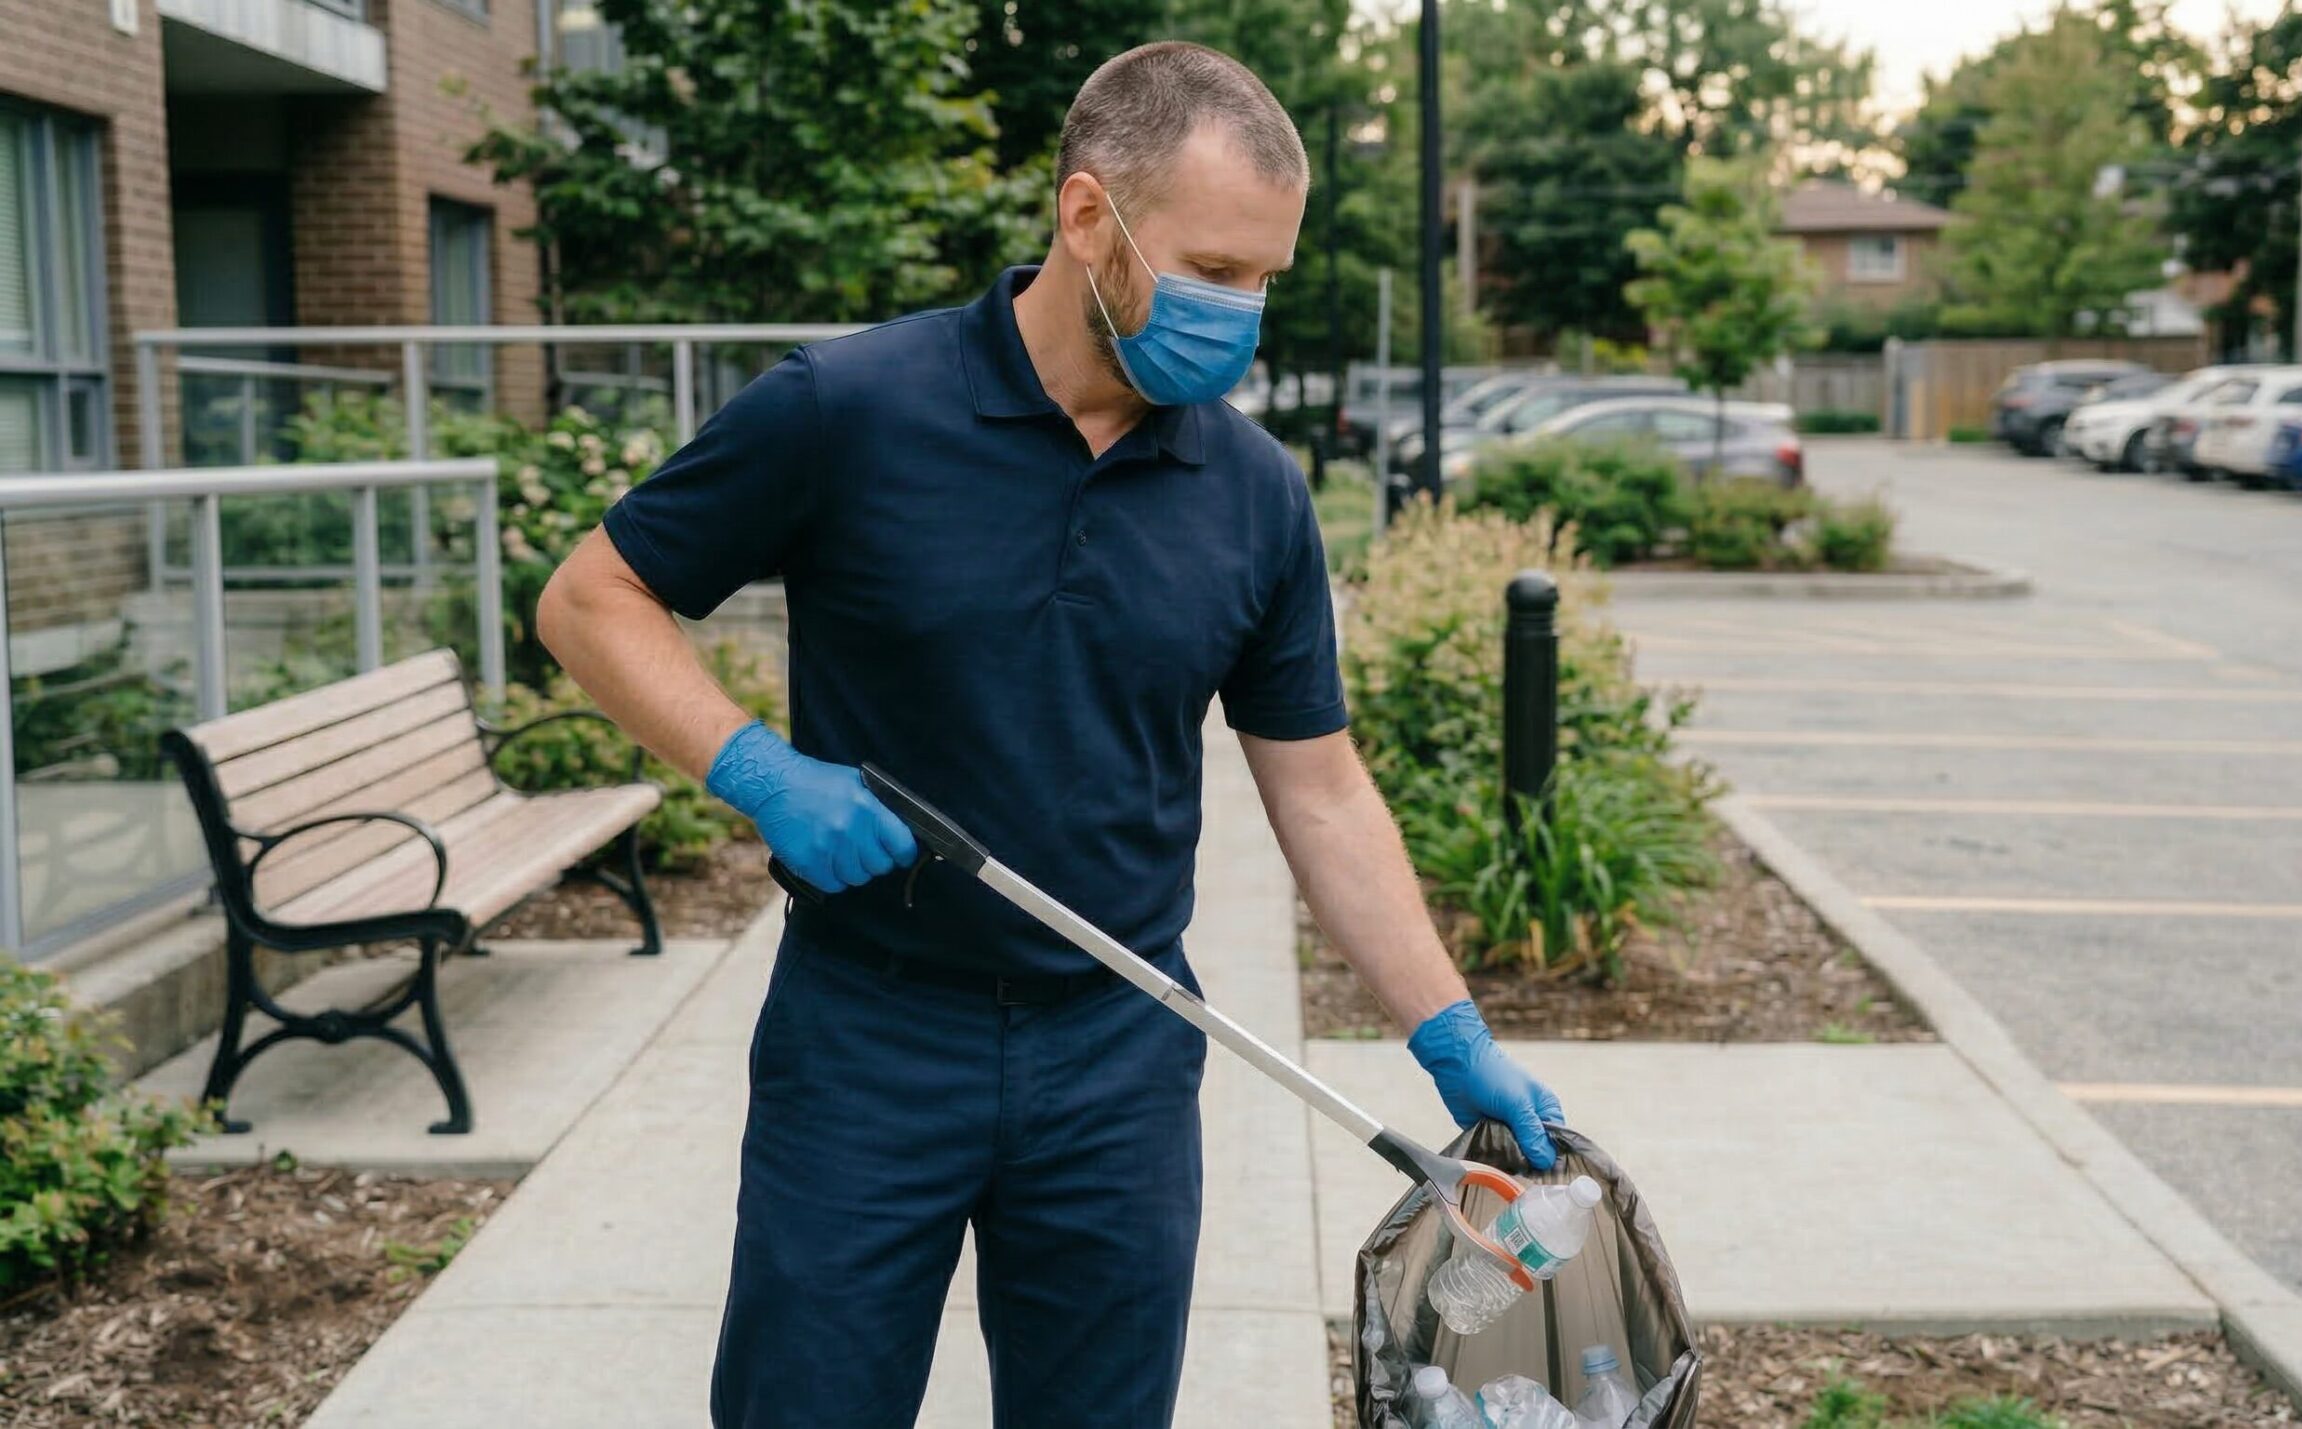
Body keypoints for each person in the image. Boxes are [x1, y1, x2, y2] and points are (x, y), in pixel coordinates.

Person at [535, 40, 1565, 1429]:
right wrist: (754, 766)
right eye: (1213, 268)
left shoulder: (1254, 494)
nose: (1241, 312)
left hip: (1123, 1051)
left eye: (1265, 279)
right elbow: (593, 597)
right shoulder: (848, 410)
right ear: (1089, 218)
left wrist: (1449, 1027)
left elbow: (1318, 786)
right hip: (866, 1035)